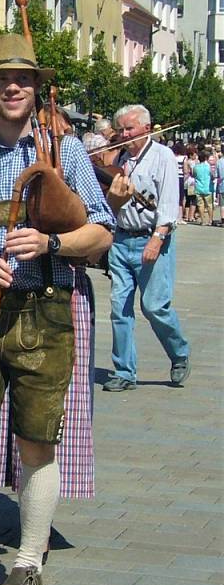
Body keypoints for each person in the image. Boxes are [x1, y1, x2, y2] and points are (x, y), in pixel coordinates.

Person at [0, 33, 114, 585]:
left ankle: (28, 563)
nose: (13, 87)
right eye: (2, 78)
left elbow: (102, 229)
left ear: (36, 88)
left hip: (46, 313)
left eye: (23, 79)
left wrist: (52, 242)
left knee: (36, 444)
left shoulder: (66, 154)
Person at [102, 104, 191, 393]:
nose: (124, 134)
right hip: (122, 238)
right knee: (119, 308)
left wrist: (158, 237)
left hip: (152, 238)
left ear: (147, 128)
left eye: (129, 129)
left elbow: (167, 201)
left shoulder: (162, 156)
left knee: (154, 306)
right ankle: (124, 371)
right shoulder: (121, 159)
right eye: (121, 130)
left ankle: (179, 354)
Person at [194, 154, 215, 226]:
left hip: (199, 187)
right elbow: (212, 176)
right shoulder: (208, 167)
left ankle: (203, 220)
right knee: (209, 205)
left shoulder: (196, 167)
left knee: (200, 205)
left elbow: (194, 175)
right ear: (206, 158)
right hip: (207, 188)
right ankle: (210, 220)